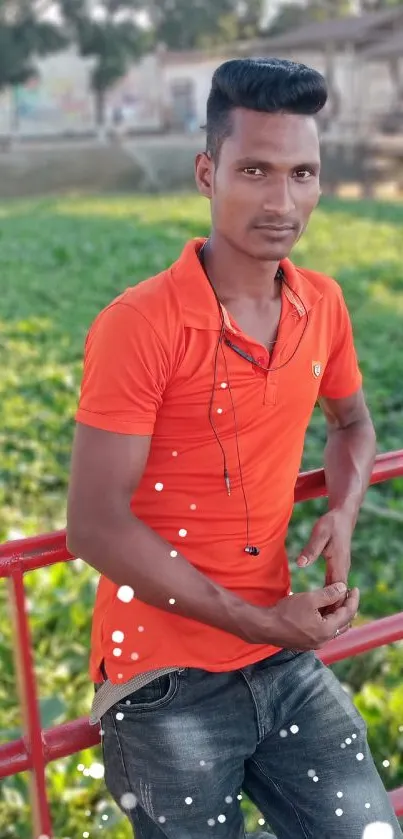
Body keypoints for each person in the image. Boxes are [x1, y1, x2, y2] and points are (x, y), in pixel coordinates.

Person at [66, 58, 402, 839]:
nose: (281, 200)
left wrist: (343, 515)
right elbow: (94, 524)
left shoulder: (322, 303)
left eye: (302, 173)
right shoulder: (139, 324)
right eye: (254, 169)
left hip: (279, 662)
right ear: (207, 172)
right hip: (162, 680)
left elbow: (352, 424)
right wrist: (258, 623)